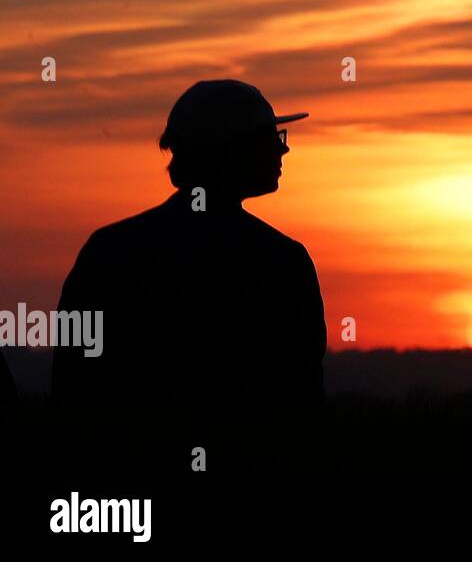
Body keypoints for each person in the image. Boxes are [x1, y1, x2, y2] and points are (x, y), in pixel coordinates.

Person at [52, 80, 326, 477]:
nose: (283, 149)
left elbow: (73, 390)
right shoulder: (280, 261)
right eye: (271, 138)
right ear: (232, 150)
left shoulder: (109, 250)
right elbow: (299, 406)